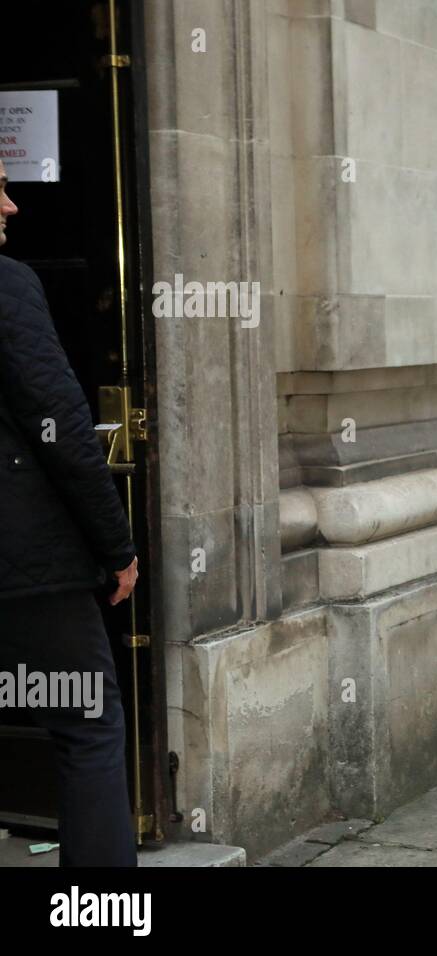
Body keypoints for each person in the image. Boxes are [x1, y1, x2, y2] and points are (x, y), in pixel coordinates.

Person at [0, 159, 140, 865]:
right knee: (87, 722)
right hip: (28, 565)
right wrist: (116, 547)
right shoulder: (7, 286)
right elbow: (61, 424)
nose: (11, 205)